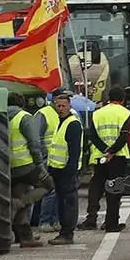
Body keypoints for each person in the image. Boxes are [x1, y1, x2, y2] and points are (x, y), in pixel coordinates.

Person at [80, 86, 130, 233]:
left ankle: (91, 219)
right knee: (114, 189)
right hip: (118, 157)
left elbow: (93, 135)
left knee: (96, 186)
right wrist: (112, 151)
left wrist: (105, 150)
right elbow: (124, 136)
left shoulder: (97, 114)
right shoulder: (126, 114)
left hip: (99, 156)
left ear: (108, 98)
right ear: (122, 100)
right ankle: (111, 223)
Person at [7, 92, 54, 248]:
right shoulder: (24, 117)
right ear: (22, 103)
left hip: (7, 167)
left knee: (19, 193)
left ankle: (24, 237)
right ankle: (20, 203)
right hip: (26, 165)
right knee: (48, 185)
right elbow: (34, 143)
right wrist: (40, 165)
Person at [32, 87, 78, 232]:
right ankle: (44, 221)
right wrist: (44, 156)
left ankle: (56, 220)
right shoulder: (44, 114)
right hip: (48, 160)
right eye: (60, 102)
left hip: (60, 161)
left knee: (59, 193)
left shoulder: (68, 116)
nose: (62, 106)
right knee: (49, 191)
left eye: (66, 102)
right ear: (55, 100)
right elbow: (37, 137)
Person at [47, 92, 84, 245]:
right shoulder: (60, 122)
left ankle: (67, 233)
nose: (61, 108)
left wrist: (70, 170)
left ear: (69, 107)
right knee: (62, 203)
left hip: (66, 171)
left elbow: (74, 151)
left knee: (68, 203)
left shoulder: (72, 124)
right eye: (58, 105)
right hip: (57, 169)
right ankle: (64, 232)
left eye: (64, 106)